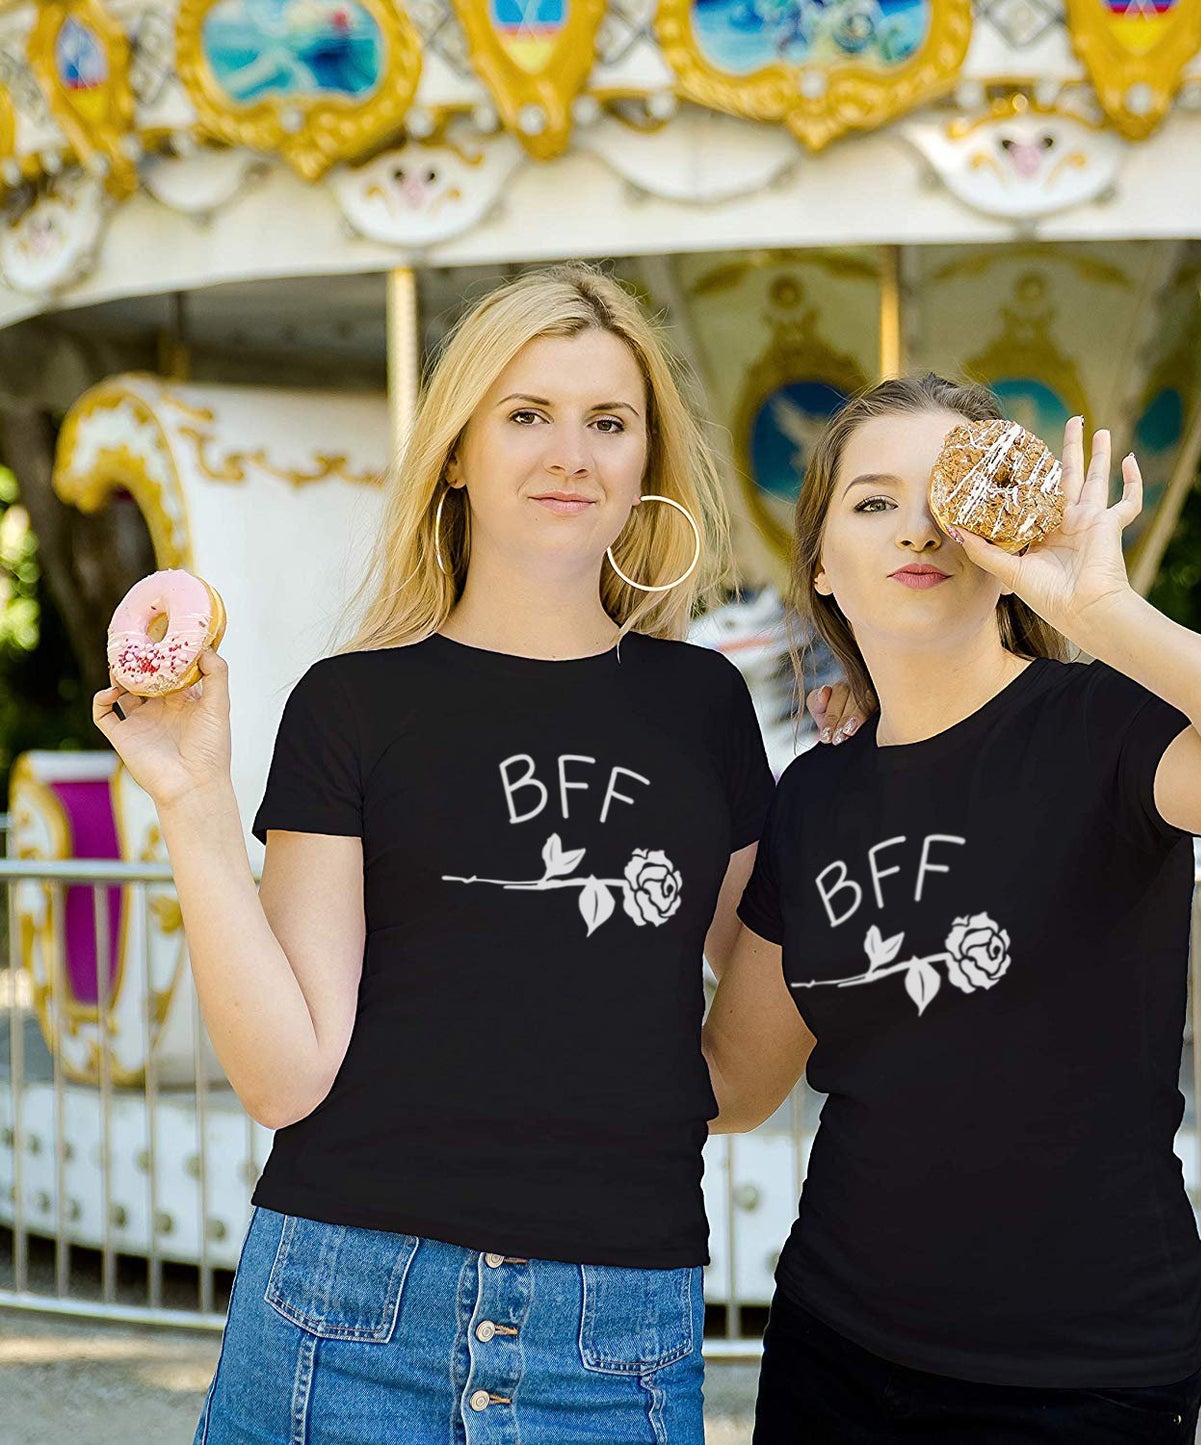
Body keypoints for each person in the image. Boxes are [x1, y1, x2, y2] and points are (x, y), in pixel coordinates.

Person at [92, 263, 776, 1445]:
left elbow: (747, 1068)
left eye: (608, 422)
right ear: (456, 451)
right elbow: (283, 1075)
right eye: (526, 414)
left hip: (608, 1329)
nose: (571, 452)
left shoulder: (701, 707)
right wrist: (194, 799)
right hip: (342, 1303)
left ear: (645, 464)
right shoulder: (353, 704)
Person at [702, 373, 1201, 1443]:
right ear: (822, 566)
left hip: (1078, 1369)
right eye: (872, 501)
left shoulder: (1099, 727)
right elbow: (737, 1082)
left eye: (951, 492)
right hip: (833, 1343)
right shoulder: (816, 792)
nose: (919, 525)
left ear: (996, 530)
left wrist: (1101, 610)